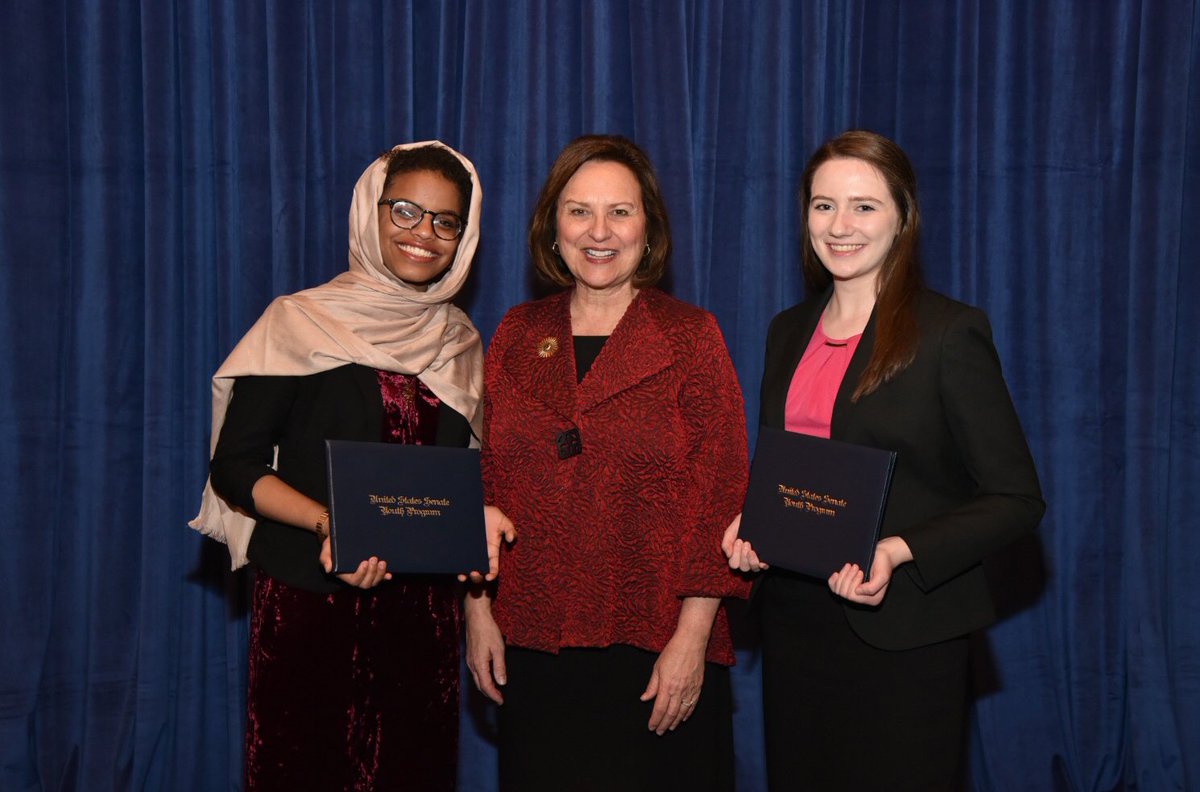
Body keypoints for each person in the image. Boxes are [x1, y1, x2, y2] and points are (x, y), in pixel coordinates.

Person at [723, 129, 1044, 790]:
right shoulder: (788, 330)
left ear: (903, 217)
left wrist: (897, 551)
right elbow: (787, 466)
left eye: (864, 206)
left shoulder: (948, 333)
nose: (839, 225)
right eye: (823, 205)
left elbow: (1016, 499)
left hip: (905, 630)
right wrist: (751, 522)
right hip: (795, 625)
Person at [190, 141, 510, 790]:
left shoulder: (461, 344)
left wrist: (478, 568)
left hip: (421, 625)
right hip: (309, 610)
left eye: (446, 221)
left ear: (464, 236)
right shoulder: (298, 321)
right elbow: (235, 466)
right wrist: (328, 524)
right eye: (406, 211)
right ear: (371, 211)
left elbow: (461, 481)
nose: (423, 233)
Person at [464, 134, 750, 791]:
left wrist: (693, 639)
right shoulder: (516, 333)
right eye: (579, 211)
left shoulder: (691, 336)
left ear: (648, 228)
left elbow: (722, 492)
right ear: (553, 226)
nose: (599, 232)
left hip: (657, 644)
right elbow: (483, 483)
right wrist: (478, 613)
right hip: (533, 641)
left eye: (620, 212)